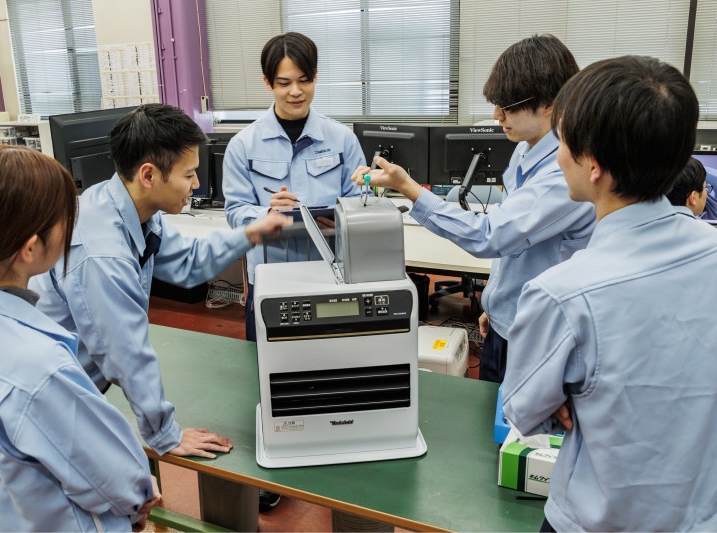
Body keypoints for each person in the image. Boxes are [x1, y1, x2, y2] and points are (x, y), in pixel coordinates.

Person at [502, 56, 717, 532]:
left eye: (563, 142)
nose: (558, 156)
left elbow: (524, 411)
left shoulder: (562, 295)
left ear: (594, 166)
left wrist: (568, 396)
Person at [30, 104, 290, 461]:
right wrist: (165, 434)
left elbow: (189, 261)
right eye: (189, 174)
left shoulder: (130, 209)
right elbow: (124, 353)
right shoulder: (102, 252)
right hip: (49, 400)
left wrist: (250, 233)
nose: (196, 185)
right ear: (149, 175)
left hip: (80, 384)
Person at [0, 145, 160, 531]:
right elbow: (121, 481)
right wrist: (140, 494)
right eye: (67, 219)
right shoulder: (39, 368)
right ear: (31, 248)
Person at [352, 35, 596, 383]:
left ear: (549, 104)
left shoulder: (564, 172)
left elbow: (491, 235)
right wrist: (495, 304)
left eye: (507, 107)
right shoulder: (525, 149)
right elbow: (516, 246)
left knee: (517, 418)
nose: (497, 116)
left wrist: (409, 189)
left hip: (540, 336)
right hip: (507, 321)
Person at [223, 31, 366, 343]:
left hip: (331, 274)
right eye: (284, 83)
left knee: (331, 361)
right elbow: (234, 212)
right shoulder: (243, 145)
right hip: (271, 277)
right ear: (268, 83)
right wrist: (267, 214)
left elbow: (360, 202)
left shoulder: (342, 139)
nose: (296, 92)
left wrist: (343, 220)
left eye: (304, 80)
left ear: (315, 77)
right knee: (268, 365)